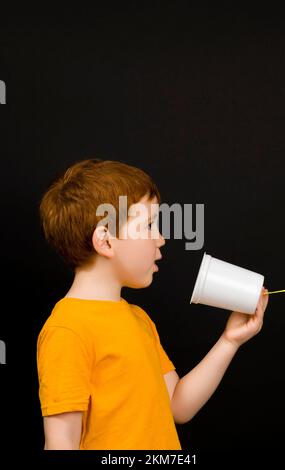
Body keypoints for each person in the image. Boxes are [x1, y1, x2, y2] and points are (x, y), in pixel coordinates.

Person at [37, 158, 269, 450]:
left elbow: (178, 406)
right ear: (106, 241)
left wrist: (229, 341)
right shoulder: (67, 330)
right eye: (148, 225)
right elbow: (61, 445)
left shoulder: (137, 318)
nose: (160, 238)